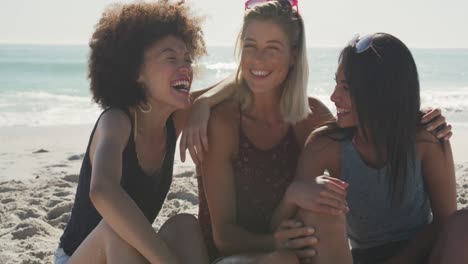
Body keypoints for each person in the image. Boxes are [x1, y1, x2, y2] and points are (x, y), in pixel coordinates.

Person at [195, 1, 452, 262]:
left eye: (272, 48)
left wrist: (417, 117)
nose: (259, 58)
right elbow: (226, 238)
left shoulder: (313, 116)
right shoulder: (228, 122)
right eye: (250, 46)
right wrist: (202, 103)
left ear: (293, 54)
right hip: (248, 254)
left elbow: (447, 222)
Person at [55, 2, 235, 263]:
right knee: (113, 229)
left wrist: (204, 104)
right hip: (80, 257)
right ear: (136, 71)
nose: (185, 67)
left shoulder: (173, 119)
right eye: (170, 58)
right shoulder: (116, 121)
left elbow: (238, 81)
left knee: (184, 225)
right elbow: (102, 190)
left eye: (187, 58)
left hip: (128, 256)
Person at [272, 33, 458, 264]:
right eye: (336, 84)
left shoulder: (425, 138)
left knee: (463, 223)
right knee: (315, 211)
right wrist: (293, 193)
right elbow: (280, 228)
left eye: (346, 87)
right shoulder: (325, 146)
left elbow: (447, 222)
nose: (334, 96)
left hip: (422, 253)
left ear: (381, 92)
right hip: (360, 258)